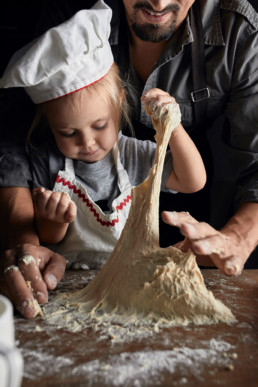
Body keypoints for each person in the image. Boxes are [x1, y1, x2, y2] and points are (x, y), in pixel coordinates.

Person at [0, 0, 257, 317]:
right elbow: (45, 233)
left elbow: (194, 181)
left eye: (99, 126)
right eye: (68, 133)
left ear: (119, 106)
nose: (87, 142)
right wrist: (43, 228)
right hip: (66, 285)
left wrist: (171, 127)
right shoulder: (47, 161)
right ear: (50, 126)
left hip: (134, 282)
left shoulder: (134, 155)